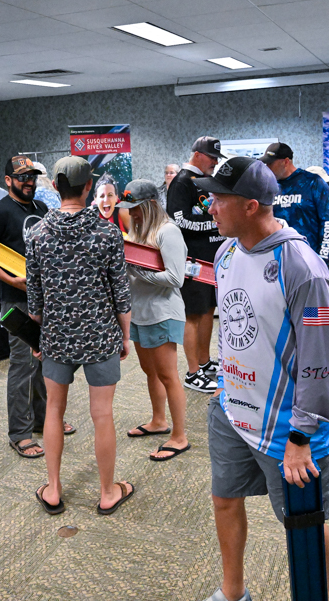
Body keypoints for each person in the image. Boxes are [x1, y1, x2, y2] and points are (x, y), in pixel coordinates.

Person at [194, 157, 329, 601]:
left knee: (304, 524)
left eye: (218, 199)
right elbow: (233, 327)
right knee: (224, 499)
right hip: (233, 411)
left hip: (288, 429)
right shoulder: (226, 252)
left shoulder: (302, 268)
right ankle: (232, 593)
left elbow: (320, 362)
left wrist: (301, 435)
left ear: (251, 205)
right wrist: (225, 385)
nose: (209, 207)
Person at [25, 156, 135, 516]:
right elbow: (121, 294)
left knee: (53, 410)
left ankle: (53, 489)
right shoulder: (107, 233)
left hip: (55, 337)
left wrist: (35, 338)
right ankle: (107, 492)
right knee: (102, 414)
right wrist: (125, 336)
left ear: (55, 187)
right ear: (89, 187)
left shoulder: (37, 234)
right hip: (101, 335)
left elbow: (34, 300)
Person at [0, 156, 73, 459]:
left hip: (46, 300)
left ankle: (42, 420)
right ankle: (20, 434)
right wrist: (11, 280)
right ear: (8, 181)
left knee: (44, 362)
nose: (28, 182)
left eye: (31, 176)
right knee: (23, 365)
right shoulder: (0, 212)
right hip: (17, 302)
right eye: (21, 177)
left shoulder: (41, 208)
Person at [117, 180, 190, 461]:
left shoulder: (168, 231)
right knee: (151, 372)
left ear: (150, 205)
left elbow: (176, 278)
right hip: (140, 312)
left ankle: (180, 436)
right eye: (129, 209)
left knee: (168, 376)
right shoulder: (136, 230)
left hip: (163, 313)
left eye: (136, 208)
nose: (132, 214)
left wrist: (137, 271)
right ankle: (159, 420)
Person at [260, 143, 329, 349]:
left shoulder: (313, 183)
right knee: (281, 307)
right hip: (279, 258)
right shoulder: (269, 187)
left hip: (312, 258)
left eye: (271, 163)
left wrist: (322, 258)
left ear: (285, 161)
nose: (267, 167)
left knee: (314, 310)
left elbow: (328, 222)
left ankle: (321, 342)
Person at [167, 136, 225, 392]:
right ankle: (192, 373)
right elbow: (179, 219)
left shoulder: (205, 180)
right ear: (198, 154)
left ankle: (204, 361)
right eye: (212, 158)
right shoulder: (182, 181)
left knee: (208, 310)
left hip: (211, 259)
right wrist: (214, 223)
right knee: (192, 315)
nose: (215, 163)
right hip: (193, 260)